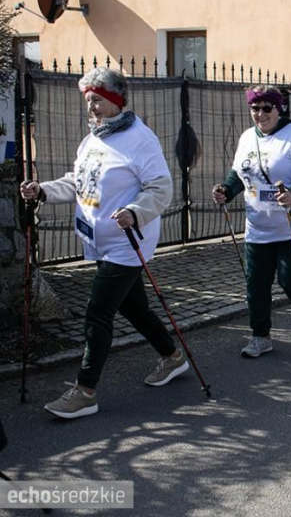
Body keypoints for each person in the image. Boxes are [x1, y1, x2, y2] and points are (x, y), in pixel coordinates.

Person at [19, 67, 188, 420]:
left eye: (97, 100)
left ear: (115, 101)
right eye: (88, 101)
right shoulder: (95, 137)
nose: (91, 107)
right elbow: (80, 180)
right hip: (99, 239)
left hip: (128, 240)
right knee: (134, 308)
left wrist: (134, 211)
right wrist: (45, 190)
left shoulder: (140, 139)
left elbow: (161, 188)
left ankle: (85, 391)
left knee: (98, 311)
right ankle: (172, 357)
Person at [212, 85, 291, 357]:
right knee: (256, 283)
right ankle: (260, 336)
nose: (260, 114)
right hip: (258, 227)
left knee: (290, 279)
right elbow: (239, 174)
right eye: (254, 108)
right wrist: (226, 190)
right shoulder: (248, 137)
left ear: (278, 108)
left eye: (266, 108)